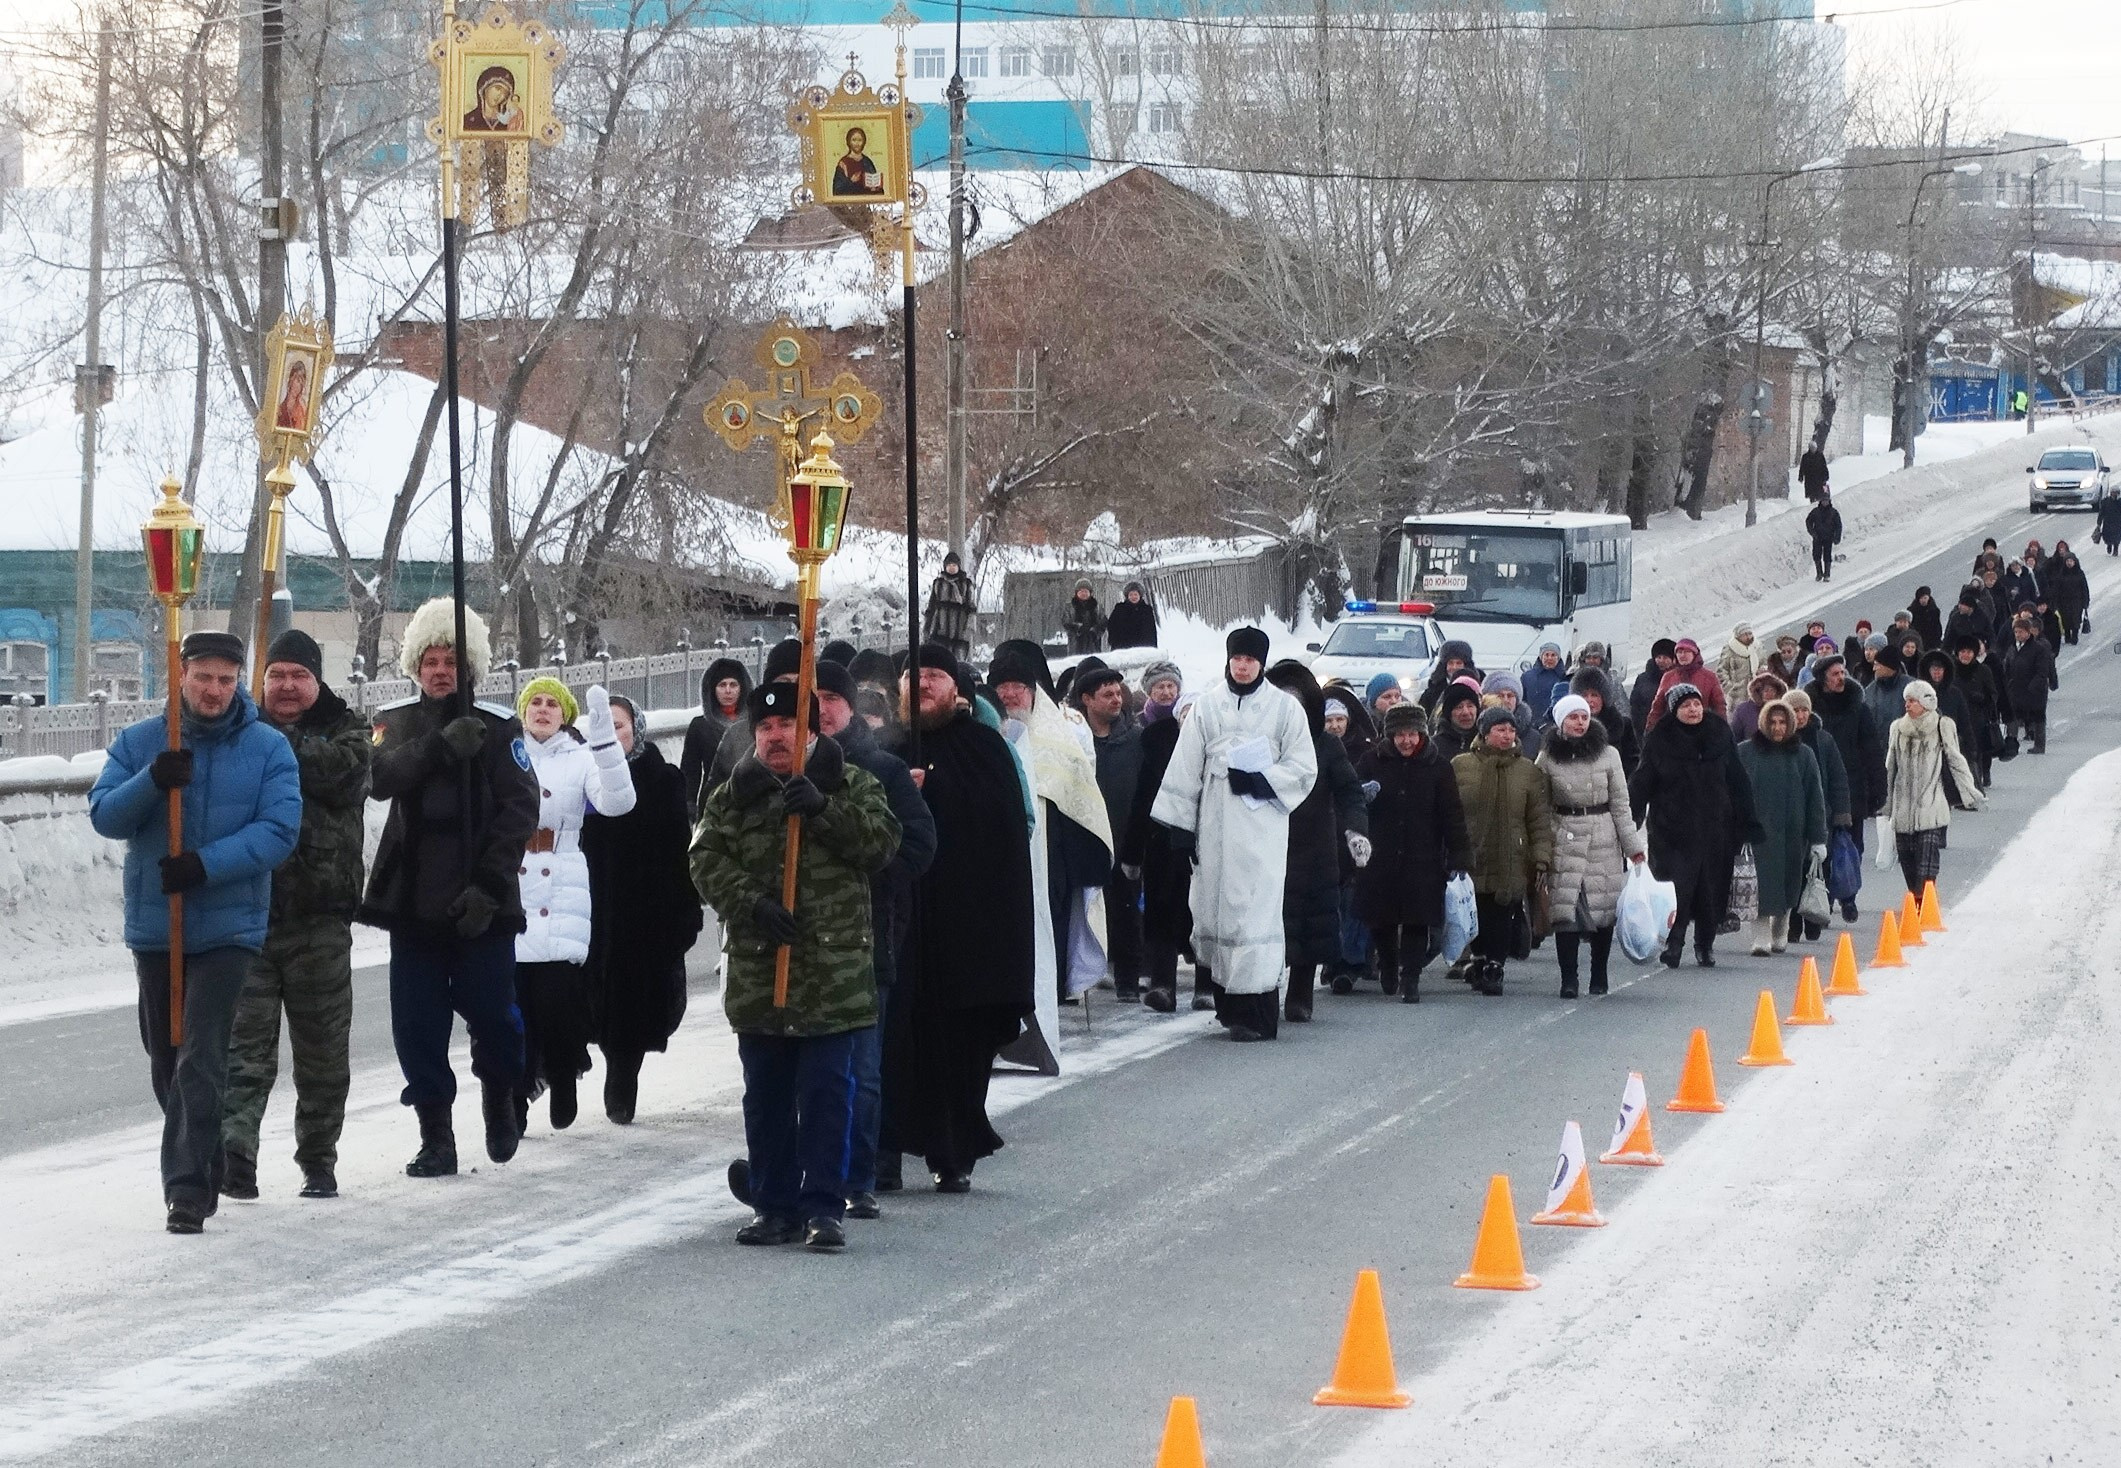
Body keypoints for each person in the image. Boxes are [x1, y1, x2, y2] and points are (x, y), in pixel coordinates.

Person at [89, 631, 301, 1233]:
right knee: (167, 1059)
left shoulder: (267, 749)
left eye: (226, 680)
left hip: (229, 927)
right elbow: (105, 815)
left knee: (201, 1054)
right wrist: (153, 780)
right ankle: (203, 1158)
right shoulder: (141, 743)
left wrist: (204, 866)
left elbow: (279, 831)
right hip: (158, 926)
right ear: (181, 676)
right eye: (204, 677)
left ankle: (184, 1192)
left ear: (239, 682)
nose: (214, 690)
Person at [692, 682, 899, 1249]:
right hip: (763, 974)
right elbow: (704, 857)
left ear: (811, 733)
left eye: (787, 727)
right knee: (766, 1098)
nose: (775, 737)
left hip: (833, 977)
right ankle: (773, 1205)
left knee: (829, 1094)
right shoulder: (734, 796)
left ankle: (824, 1207)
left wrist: (824, 811)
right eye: (764, 729)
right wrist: (750, 904)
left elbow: (882, 844)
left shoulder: (852, 785)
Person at [360, 598, 540, 1178]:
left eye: (452, 662)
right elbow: (379, 778)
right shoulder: (396, 721)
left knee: (494, 1013)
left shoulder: (497, 727)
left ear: (471, 669)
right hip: (413, 901)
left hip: (480, 903)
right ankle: (436, 1134)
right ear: (415, 666)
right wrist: (437, 746)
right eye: (431, 661)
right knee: (416, 1025)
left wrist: (489, 887)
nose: (441, 671)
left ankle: (500, 1095)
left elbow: (519, 809)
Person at [221, 629, 370, 1203]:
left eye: (298, 676)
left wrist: (271, 743)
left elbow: (345, 774)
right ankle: (237, 1156)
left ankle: (318, 1160)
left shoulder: (348, 730)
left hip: (320, 923)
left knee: (323, 1056)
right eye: (276, 675)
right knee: (245, 1054)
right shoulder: (239, 731)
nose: (286, 686)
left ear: (317, 681)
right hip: (249, 917)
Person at [885, 645, 1036, 1191]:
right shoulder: (889, 749)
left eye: (933, 675)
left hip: (966, 927)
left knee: (958, 1042)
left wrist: (934, 792)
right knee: (895, 1039)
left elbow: (997, 830)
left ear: (957, 690)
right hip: (900, 926)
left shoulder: (984, 748)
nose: (921, 684)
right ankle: (885, 1154)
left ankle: (953, 1152)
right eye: (911, 675)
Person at [804, 660, 935, 1210]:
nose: (824, 708)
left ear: (851, 706)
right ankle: (797, 1173)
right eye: (814, 698)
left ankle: (864, 1170)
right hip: (793, 941)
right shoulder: (773, 768)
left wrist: (858, 867)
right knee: (796, 1069)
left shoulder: (881, 768)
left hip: (865, 935)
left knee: (860, 1066)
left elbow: (918, 847)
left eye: (834, 698)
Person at [1150, 627, 1318, 1042]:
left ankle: (1256, 1013)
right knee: (1214, 907)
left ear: (1261, 663)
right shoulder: (1207, 707)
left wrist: (1265, 782)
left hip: (1261, 826)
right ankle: (1227, 1005)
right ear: (1228, 661)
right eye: (1237, 659)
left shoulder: (1285, 710)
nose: (1242, 666)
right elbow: (1186, 766)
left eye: (1251, 660)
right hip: (1214, 822)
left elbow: (1303, 766)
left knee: (1253, 912)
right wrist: (1181, 829)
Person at [510, 677, 636, 1133]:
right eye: (534, 703)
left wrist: (604, 741)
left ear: (564, 715)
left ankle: (564, 1074)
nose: (542, 710)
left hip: (562, 881)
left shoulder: (581, 758)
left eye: (552, 704)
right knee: (514, 1007)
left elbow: (619, 802)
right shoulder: (509, 753)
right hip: (513, 884)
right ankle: (516, 1096)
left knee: (558, 1002)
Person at [582, 693, 702, 1127]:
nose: (612, 734)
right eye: (604, 726)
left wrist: (683, 906)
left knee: (630, 1007)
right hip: (587, 905)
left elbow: (678, 847)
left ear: (636, 729)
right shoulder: (583, 776)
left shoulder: (662, 778)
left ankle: (621, 1079)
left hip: (642, 908)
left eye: (619, 725)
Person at [1264, 661, 1367, 1023]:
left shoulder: (1326, 745)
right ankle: (1262, 993)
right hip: (1265, 844)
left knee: (1309, 924)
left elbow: (1350, 791)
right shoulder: (1260, 743)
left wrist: (1356, 830)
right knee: (1267, 924)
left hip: (1314, 848)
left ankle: (1300, 994)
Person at [1629, 683, 1756, 968]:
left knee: (1711, 889)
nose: (1693, 709)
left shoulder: (1720, 735)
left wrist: (1747, 820)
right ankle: (1674, 944)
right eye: (1686, 705)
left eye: (1696, 704)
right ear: (1675, 710)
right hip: (1672, 829)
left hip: (1716, 828)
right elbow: (1643, 780)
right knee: (1676, 889)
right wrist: (1633, 814)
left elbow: (1738, 780)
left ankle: (1705, 945)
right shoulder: (1660, 739)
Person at [1351, 704, 1470, 1004]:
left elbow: (1452, 816)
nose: (1406, 741)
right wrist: (1364, 797)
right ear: (1389, 736)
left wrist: (1459, 856)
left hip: (1423, 857)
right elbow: (1353, 802)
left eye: (1412, 734)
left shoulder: (1439, 768)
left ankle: (1411, 977)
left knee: (1418, 919)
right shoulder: (1371, 761)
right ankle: (1388, 965)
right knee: (1382, 919)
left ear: (1422, 734)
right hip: (1380, 856)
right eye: (1400, 735)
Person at [1536, 694, 1646, 999]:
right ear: (1561, 721)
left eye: (1583, 717)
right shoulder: (1547, 758)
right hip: (1564, 834)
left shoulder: (1609, 754)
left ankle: (1600, 973)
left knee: (1603, 910)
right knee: (1565, 911)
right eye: (1573, 717)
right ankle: (1568, 978)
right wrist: (1542, 850)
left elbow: (1621, 804)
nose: (1580, 723)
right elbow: (1541, 806)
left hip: (1602, 836)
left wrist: (1632, 846)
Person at [1450, 707, 1552, 997]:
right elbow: (1449, 811)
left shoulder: (1528, 771)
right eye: (1500, 730)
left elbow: (1538, 819)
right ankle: (1478, 958)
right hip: (1472, 852)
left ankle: (1496, 965)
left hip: (1512, 855)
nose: (1507, 736)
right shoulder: (1461, 765)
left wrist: (1541, 856)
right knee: (1474, 911)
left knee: (1502, 912)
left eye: (1511, 730)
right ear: (1484, 732)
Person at [1124, 689, 1207, 1013]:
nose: (1189, 719)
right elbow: (1142, 800)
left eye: (1195, 713)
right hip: (1162, 846)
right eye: (1185, 712)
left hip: (1204, 847)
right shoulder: (1158, 746)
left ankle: (1206, 988)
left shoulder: (1215, 747)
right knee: (1161, 915)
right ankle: (1162, 986)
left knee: (1202, 917)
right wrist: (1132, 853)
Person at [1073, 664, 1144, 1001]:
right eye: (1107, 694)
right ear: (1087, 699)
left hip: (1124, 836)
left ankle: (1128, 980)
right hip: (1085, 836)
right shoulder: (1073, 740)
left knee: (1126, 910)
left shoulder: (1134, 740)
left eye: (1118, 693)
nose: (1116, 699)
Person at [1735, 700, 1826, 957]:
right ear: (1763, 723)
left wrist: (1818, 838)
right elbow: (1734, 793)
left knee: (1789, 883)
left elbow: (1814, 798)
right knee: (1760, 883)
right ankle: (1760, 936)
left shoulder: (1803, 755)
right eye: (1773, 722)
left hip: (1792, 830)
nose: (1777, 727)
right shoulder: (1746, 753)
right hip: (1758, 832)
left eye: (1783, 722)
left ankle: (1781, 926)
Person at [1884, 681, 1982, 897]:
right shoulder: (1897, 728)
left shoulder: (1942, 725)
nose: (1907, 705)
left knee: (1927, 860)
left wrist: (1970, 792)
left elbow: (1955, 759)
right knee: (1907, 859)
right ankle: (1916, 899)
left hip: (1931, 801)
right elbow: (1890, 767)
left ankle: (1925, 901)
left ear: (1926, 703)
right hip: (1903, 806)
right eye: (1906, 701)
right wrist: (1886, 804)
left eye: (1912, 701)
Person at [1807, 656, 1886, 920]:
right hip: (1819, 785)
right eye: (1834, 674)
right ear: (1822, 678)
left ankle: (1849, 897)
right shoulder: (1810, 709)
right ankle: (1825, 897)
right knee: (1823, 845)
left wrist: (1878, 787)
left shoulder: (1858, 708)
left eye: (1842, 672)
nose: (1840, 677)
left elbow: (1872, 749)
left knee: (1853, 845)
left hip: (1853, 786)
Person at [1782, 688, 1848, 941]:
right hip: (1790, 817)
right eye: (1795, 710)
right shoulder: (1782, 742)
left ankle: (1815, 917)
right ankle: (1794, 923)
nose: (1800, 715)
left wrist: (1841, 812)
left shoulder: (1823, 740)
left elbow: (1838, 777)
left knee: (1819, 866)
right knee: (1795, 870)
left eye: (1804, 710)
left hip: (1822, 813)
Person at [681, 656, 751, 816]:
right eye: (722, 685)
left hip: (751, 802)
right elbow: (690, 769)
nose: (728, 691)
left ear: (742, 688)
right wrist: (688, 802)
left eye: (733, 685)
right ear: (712, 689)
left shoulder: (755, 723)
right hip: (714, 803)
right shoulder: (700, 726)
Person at [1949, 635, 2001, 790]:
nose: (1965, 655)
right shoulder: (1951, 671)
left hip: (1977, 719)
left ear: (1975, 653)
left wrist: (1982, 699)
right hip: (1955, 719)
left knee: (1975, 753)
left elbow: (1993, 695)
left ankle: (1976, 784)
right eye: (1963, 651)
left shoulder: (1983, 670)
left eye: (1969, 652)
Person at [2001, 613, 2058, 754]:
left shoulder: (2039, 649)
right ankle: (2011, 743)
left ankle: (2039, 745)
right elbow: (2007, 667)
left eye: (2020, 632)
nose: (2018, 634)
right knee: (2013, 716)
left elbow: (2042, 671)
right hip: (2016, 689)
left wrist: (2033, 687)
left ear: (2028, 632)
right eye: (2015, 632)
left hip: (2034, 691)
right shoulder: (2012, 649)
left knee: (2038, 717)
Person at [1570, 666, 1639, 775]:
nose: (1589, 700)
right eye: (1584, 695)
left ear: (1604, 698)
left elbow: (1632, 763)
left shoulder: (1622, 726)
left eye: (1594, 695)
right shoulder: (1569, 728)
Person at [1644, 638, 1726, 727]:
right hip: (1675, 730)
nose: (1682, 655)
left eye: (1687, 652)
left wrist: (1723, 729)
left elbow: (1719, 706)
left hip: (1703, 728)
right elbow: (1658, 707)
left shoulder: (1709, 676)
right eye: (1679, 652)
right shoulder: (1668, 677)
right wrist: (1650, 730)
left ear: (1694, 654)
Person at [923, 551, 977, 662]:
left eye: (954, 565)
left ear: (958, 566)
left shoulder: (966, 584)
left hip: (960, 631)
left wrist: (969, 628)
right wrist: (927, 627)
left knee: (959, 662)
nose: (951, 568)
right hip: (940, 629)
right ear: (945, 567)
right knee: (940, 661)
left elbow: (971, 606)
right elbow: (931, 606)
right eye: (949, 565)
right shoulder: (938, 583)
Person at [1416, 639, 1479, 716]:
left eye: (1459, 663)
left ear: (1466, 665)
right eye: (1450, 663)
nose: (1454, 667)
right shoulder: (1432, 692)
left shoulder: (1477, 689)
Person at [1631, 638, 1678, 731]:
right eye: (1658, 657)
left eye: (1665, 657)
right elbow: (1635, 705)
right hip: (1649, 730)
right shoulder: (1643, 679)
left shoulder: (1680, 678)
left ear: (1673, 660)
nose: (1661, 661)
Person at [1730, 669, 1788, 744]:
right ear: (1758, 692)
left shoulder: (1786, 708)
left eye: (1772, 690)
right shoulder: (1743, 710)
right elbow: (1735, 737)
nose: (1769, 694)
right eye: (1766, 691)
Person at [1521, 642, 1571, 723]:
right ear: (1541, 657)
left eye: (1553, 655)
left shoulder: (1565, 678)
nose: (1549, 658)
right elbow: (1522, 701)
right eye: (1546, 655)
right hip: (1532, 723)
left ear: (1558, 658)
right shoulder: (1527, 677)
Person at [1715, 624, 1761, 711]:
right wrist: (1730, 688)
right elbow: (1721, 671)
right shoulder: (1729, 649)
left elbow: (1763, 662)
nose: (1748, 637)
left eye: (1749, 633)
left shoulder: (1756, 647)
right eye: (1744, 634)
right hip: (1737, 695)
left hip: (1757, 690)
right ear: (1738, 636)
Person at [1433, 678, 1483, 758]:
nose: (1466, 712)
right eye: (1459, 707)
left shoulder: (1486, 742)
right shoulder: (1435, 747)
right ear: (1449, 713)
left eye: (1470, 706)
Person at [462, 64, 519, 132]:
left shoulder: (510, 122)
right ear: (484, 87)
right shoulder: (468, 120)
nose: (501, 95)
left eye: (505, 93)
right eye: (498, 88)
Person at [831, 125, 884, 196]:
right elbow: (837, 190)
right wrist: (851, 181)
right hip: (848, 202)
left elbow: (876, 188)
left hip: (866, 201)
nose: (857, 143)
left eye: (860, 140)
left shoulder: (867, 162)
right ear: (849, 142)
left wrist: (875, 187)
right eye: (854, 140)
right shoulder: (843, 163)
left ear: (864, 142)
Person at [1106, 581, 1159, 649]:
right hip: (1123, 648)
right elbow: (1111, 626)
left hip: (1142, 648)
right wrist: (1114, 641)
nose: (1133, 597)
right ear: (1127, 596)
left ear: (1140, 595)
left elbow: (1151, 631)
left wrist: (1152, 648)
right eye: (1131, 594)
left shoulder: (1146, 610)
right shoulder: (1120, 609)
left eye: (1135, 594)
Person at [1805, 489, 1843, 582]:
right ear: (1820, 501)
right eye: (1823, 501)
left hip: (1828, 537)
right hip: (1817, 537)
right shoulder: (1815, 512)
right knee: (1816, 555)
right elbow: (1808, 521)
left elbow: (1838, 525)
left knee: (1827, 556)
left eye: (1826, 500)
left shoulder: (1834, 512)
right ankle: (1819, 573)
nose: (1825, 502)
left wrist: (1837, 537)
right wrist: (1812, 533)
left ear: (1829, 501)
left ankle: (1827, 574)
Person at [1062, 578, 1105, 654]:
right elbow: (1066, 622)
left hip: (1093, 643)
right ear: (1076, 593)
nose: (1084, 593)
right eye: (1081, 591)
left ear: (1090, 593)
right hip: (1075, 644)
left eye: (1086, 591)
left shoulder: (1097, 607)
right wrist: (1077, 628)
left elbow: (1103, 622)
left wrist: (1095, 631)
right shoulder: (1070, 607)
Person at [1139, 659, 1182, 725]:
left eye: (1170, 686)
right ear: (1149, 692)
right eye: (1160, 687)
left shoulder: (1190, 715)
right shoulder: (1139, 722)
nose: (1166, 693)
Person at [274, 358, 310, 432]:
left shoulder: (301, 411)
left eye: (301, 383)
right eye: (297, 380)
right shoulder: (279, 408)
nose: (298, 386)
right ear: (291, 380)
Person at [2097, 487, 2121, 556]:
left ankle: (2115, 549)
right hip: (2107, 522)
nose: (2114, 494)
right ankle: (2109, 545)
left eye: (2116, 493)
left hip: (2118, 523)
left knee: (2117, 537)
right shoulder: (2105, 501)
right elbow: (2101, 513)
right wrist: (2099, 523)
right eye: (2113, 493)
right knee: (2107, 536)